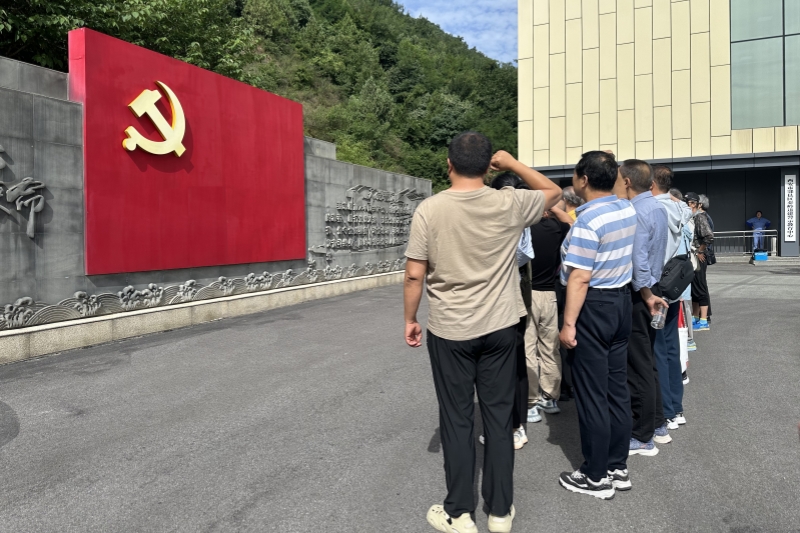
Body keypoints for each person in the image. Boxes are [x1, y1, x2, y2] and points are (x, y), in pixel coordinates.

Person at [404, 131, 561, 533]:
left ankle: (459, 513)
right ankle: (500, 512)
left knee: (457, 419)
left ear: (448, 164)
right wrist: (511, 163)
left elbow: (414, 274)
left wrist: (410, 318)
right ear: (489, 165)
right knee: (498, 419)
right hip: (501, 326)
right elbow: (553, 192)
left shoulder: (430, 209)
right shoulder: (509, 202)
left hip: (450, 329)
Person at [557, 151, 637, 500]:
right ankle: (617, 465)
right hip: (620, 302)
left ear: (584, 179)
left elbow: (580, 278)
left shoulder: (588, 221)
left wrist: (568, 324)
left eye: (575, 175)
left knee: (591, 393)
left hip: (592, 307)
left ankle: (595, 475)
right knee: (616, 388)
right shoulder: (626, 209)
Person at [618, 160, 670, 456]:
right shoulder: (657, 207)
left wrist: (646, 294)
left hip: (642, 293)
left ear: (627, 181)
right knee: (648, 360)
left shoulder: (636, 211)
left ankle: (641, 435)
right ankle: (657, 423)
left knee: (638, 365)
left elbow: (637, 258)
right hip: (653, 287)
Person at [485, 173, 535, 451]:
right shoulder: (517, 217)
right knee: (505, 364)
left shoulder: (514, 219)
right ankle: (510, 424)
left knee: (508, 364)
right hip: (505, 298)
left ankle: (514, 426)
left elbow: (522, 254)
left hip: (506, 299)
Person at [652, 166, 691, 432]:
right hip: (674, 283)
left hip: (657, 285)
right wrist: (673, 197)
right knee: (672, 348)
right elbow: (686, 208)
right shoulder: (680, 208)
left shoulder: (653, 208)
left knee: (658, 350)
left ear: (652, 184)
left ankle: (666, 410)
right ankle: (676, 408)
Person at [525, 198, 572, 422]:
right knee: (549, 347)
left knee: (528, 347)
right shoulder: (556, 229)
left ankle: (531, 400)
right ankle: (550, 396)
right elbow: (570, 223)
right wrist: (552, 206)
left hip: (527, 294)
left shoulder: (524, 228)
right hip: (550, 295)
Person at [685, 192, 714, 332]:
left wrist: (700, 250)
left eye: (691, 203)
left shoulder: (700, 217)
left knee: (700, 287)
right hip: (693, 256)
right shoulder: (692, 217)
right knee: (695, 288)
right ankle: (696, 316)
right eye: (687, 202)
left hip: (698, 257)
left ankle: (703, 320)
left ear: (697, 204)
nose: (689, 205)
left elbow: (709, 236)